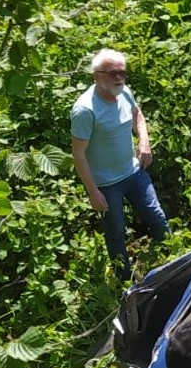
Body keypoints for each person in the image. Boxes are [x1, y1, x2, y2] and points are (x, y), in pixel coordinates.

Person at [70, 48, 168, 280]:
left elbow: (137, 115)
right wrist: (92, 191)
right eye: (112, 73)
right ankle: (124, 282)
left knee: (157, 216)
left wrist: (144, 141)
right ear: (96, 75)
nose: (119, 78)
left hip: (133, 172)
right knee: (115, 233)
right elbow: (78, 154)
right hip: (106, 183)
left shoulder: (125, 93)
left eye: (122, 73)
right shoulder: (85, 109)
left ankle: (170, 260)